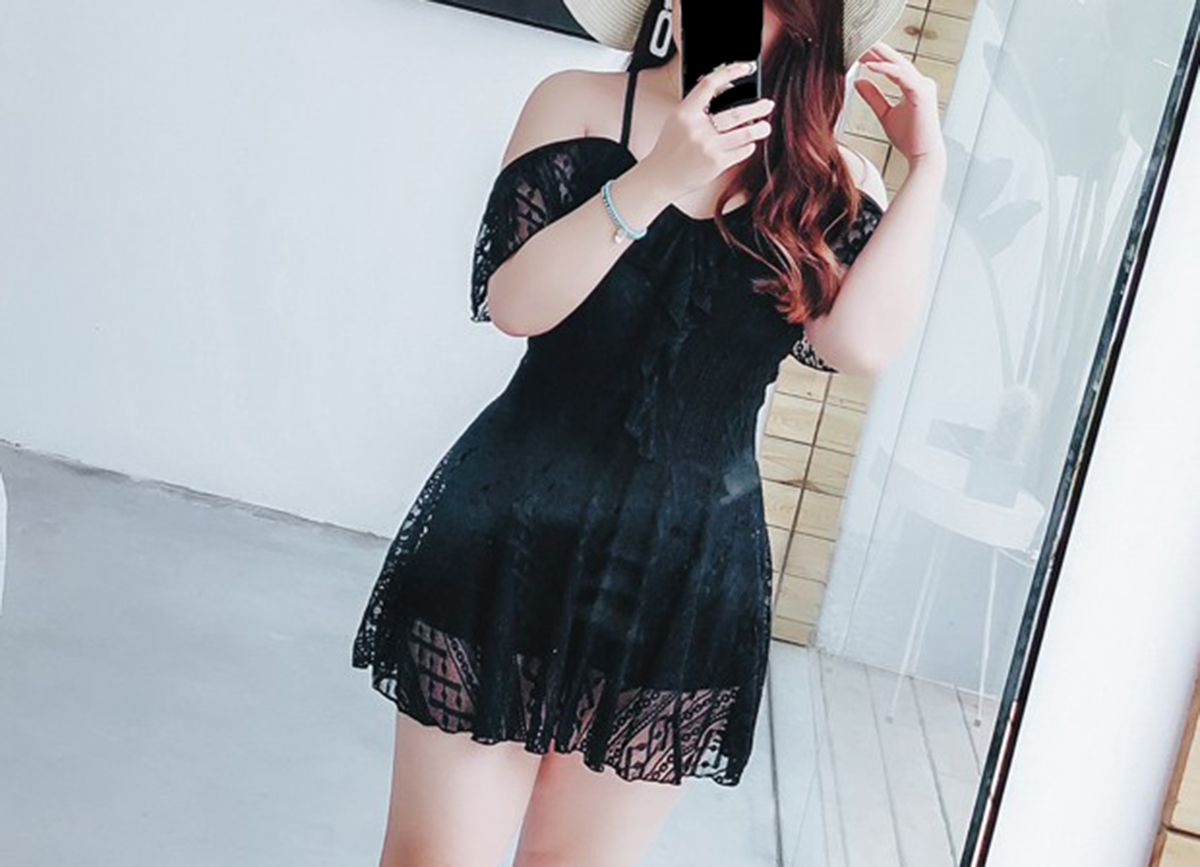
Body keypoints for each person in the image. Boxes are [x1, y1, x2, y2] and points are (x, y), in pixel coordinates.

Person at [351, 0, 945, 863]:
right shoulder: (577, 104)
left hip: (682, 576)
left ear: (810, 22)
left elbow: (859, 345)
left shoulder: (830, 182)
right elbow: (515, 304)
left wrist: (927, 166)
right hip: (510, 536)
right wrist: (657, 177)